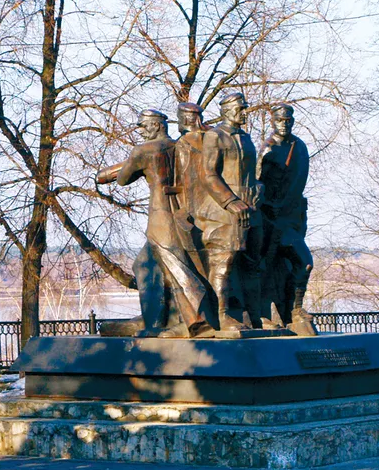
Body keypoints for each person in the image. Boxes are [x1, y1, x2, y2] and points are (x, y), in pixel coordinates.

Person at [96, 109, 213, 337]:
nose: (141, 130)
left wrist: (126, 164)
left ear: (158, 125)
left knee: (168, 265)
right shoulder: (180, 146)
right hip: (182, 212)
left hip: (161, 216)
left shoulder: (143, 150)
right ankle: (157, 318)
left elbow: (122, 179)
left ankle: (196, 319)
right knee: (150, 264)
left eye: (144, 125)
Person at [198, 93, 263, 330]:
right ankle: (222, 317)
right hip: (225, 211)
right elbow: (208, 174)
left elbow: (250, 174)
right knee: (223, 264)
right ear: (226, 110)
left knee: (253, 265)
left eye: (245, 108)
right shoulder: (215, 136)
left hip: (252, 209)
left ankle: (256, 317)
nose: (245, 112)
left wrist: (259, 188)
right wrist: (230, 201)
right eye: (240, 108)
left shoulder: (245, 138)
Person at [256, 103, 316, 335]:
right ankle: (260, 314)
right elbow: (257, 182)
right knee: (265, 267)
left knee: (304, 262)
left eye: (288, 120)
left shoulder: (299, 146)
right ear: (272, 121)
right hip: (269, 219)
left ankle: (296, 309)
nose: (284, 124)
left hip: (291, 219)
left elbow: (299, 181)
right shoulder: (267, 149)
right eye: (280, 120)